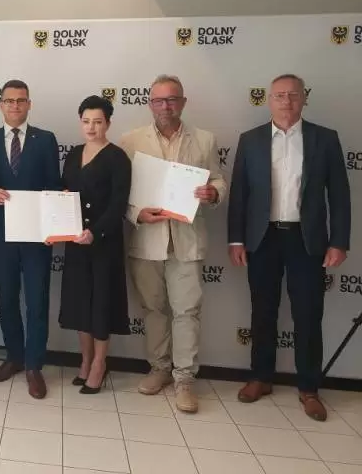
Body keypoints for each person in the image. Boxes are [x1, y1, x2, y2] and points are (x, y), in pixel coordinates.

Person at [228, 74, 350, 422]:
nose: (286, 101)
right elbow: (239, 194)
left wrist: (339, 241)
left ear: (304, 98)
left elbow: (339, 195)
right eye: (279, 95)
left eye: (293, 95)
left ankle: (309, 388)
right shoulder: (250, 140)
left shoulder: (325, 139)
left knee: (308, 314)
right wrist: (236, 239)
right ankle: (260, 377)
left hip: (306, 239)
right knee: (262, 311)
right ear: (269, 100)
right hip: (262, 238)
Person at [120, 75, 226, 414]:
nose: (165, 106)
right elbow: (119, 192)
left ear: (183, 102)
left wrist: (214, 193)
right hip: (146, 240)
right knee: (153, 309)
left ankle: (184, 379)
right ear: (149, 103)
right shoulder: (130, 141)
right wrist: (136, 213)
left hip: (186, 239)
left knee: (186, 311)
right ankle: (159, 369)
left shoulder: (204, 139)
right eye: (158, 100)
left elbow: (218, 179)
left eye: (172, 99)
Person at [0, 80, 61, 399]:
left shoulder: (46, 139)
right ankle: (14, 357)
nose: (15, 105)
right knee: (7, 299)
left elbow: (54, 186)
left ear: (29, 104)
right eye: (9, 101)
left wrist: (53, 225)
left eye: (21, 100)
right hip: (2, 235)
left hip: (38, 236)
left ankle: (34, 366)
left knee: (37, 301)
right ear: (0, 104)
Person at [58, 95, 131, 394]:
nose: (91, 127)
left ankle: (100, 363)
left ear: (108, 124)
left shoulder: (118, 157)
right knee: (80, 303)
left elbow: (118, 205)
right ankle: (85, 359)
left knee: (101, 304)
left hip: (104, 242)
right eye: (86, 121)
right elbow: (64, 190)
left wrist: (95, 232)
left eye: (98, 122)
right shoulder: (73, 154)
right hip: (75, 241)